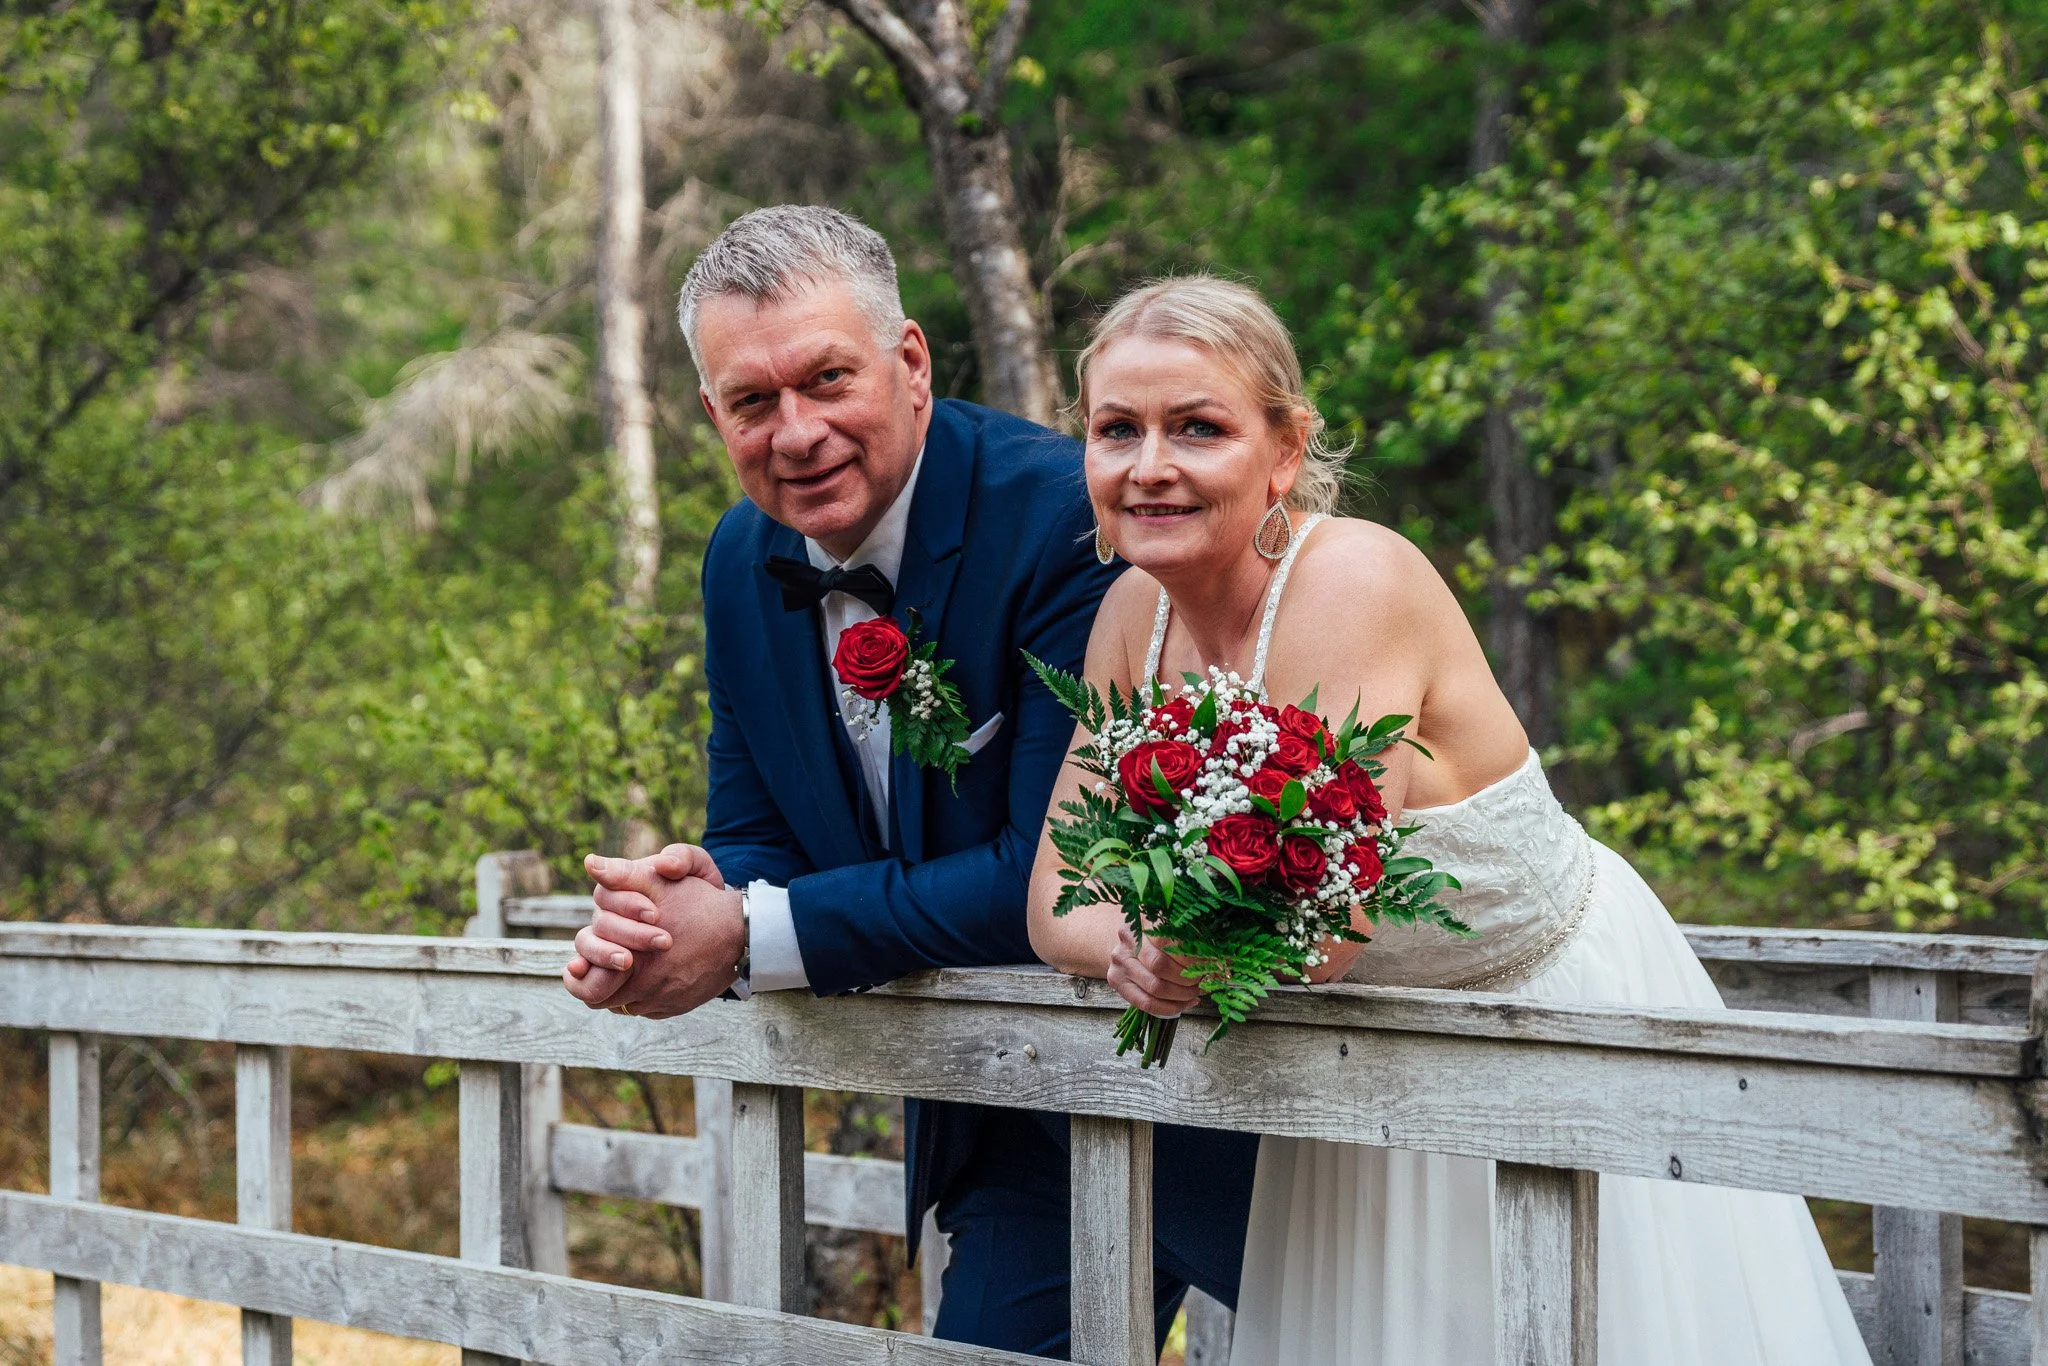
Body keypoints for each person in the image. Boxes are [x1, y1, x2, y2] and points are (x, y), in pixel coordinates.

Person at [1025, 274, 1873, 1366]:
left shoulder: (1354, 582)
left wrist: (1186, 948)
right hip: (1355, 1079)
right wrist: (1140, 951)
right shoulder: (1127, 617)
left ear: (1283, 451)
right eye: (1115, 431)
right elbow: (1054, 902)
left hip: (1548, 1034)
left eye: (1197, 427)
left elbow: (1319, 932)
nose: (1149, 465)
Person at [559, 206, 1258, 1357]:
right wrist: (677, 908)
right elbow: (757, 829)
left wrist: (744, 935)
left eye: (827, 379)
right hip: (1008, 1125)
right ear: (710, 415)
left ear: (911, 362)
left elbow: (1045, 877)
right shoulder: (740, 562)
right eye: (751, 401)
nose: (795, 432)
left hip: (1218, 1100)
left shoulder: (1065, 518)